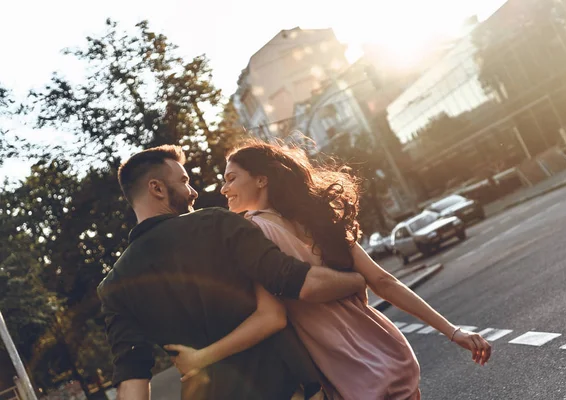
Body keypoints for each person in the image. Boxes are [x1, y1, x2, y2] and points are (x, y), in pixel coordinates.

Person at [167, 140, 492, 399]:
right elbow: (384, 281)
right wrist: (453, 331)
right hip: (389, 354)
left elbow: (270, 317)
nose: (223, 189)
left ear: (261, 179)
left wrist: (201, 358)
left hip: (348, 375)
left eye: (231, 178)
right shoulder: (320, 220)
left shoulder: (251, 231)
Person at [96, 144, 367, 400]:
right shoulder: (216, 223)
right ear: (156, 188)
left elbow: (132, 376)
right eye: (183, 181)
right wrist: (356, 280)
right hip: (282, 387)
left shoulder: (114, 285)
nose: (192, 191)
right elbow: (301, 282)